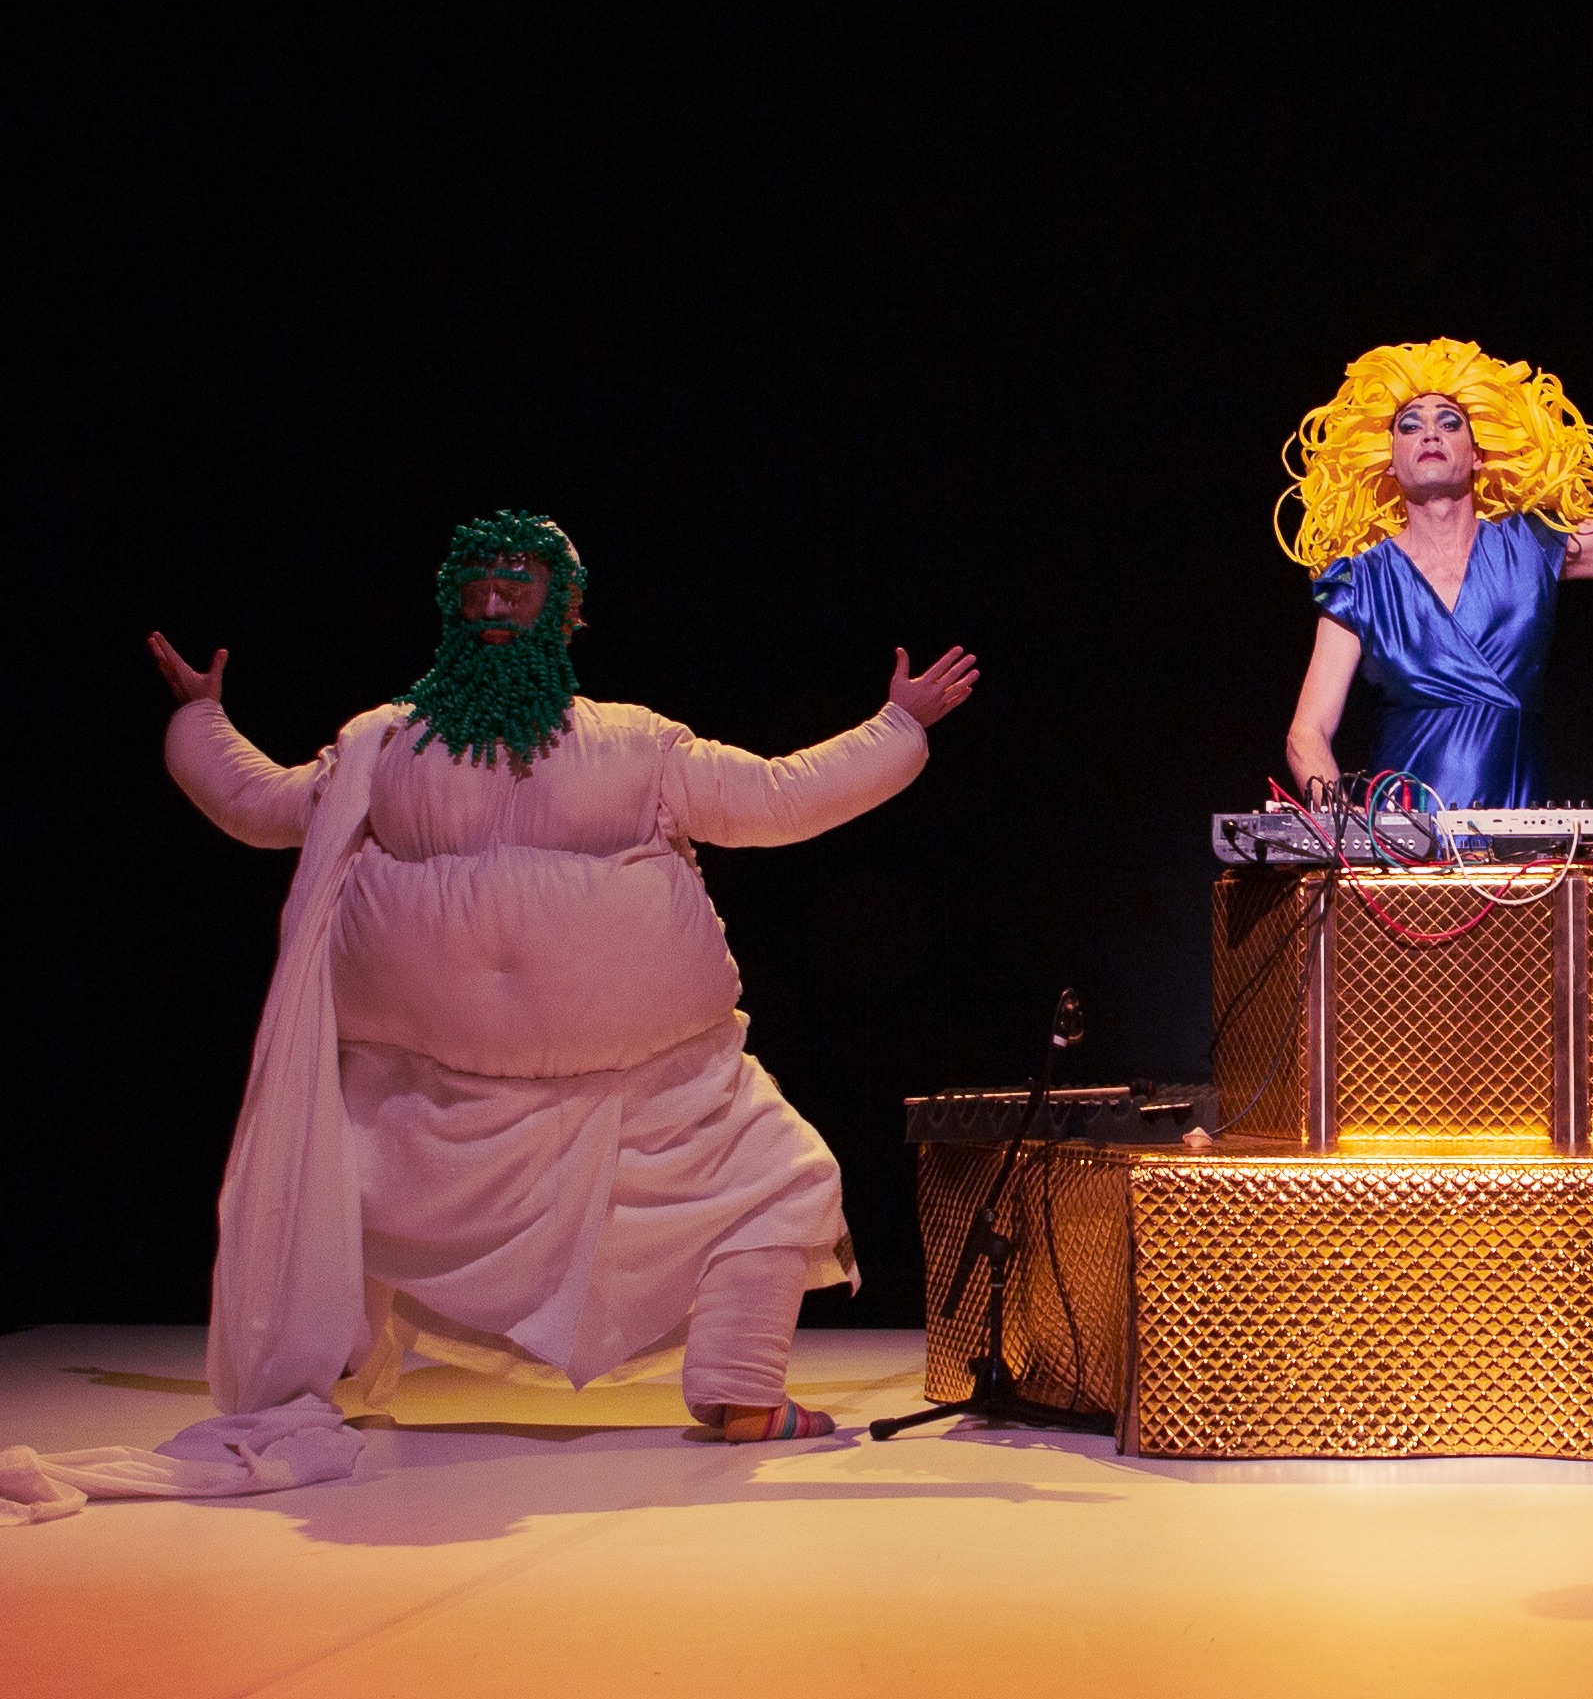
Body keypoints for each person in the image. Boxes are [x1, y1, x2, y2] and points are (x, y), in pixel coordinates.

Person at [107, 512, 971, 1502]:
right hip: (429, 1102)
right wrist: (202, 721)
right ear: (450, 604)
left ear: (566, 612)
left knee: (779, 1177)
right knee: (335, 1194)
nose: (491, 602)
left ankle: (739, 1385)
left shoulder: (633, 745)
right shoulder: (381, 746)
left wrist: (896, 724)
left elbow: (775, 798)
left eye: (515, 585)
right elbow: (266, 806)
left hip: (650, 1096)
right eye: (475, 585)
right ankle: (318, 1376)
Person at [1280, 337, 1593, 809]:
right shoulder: (1361, 582)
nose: (1430, 434)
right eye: (1409, 426)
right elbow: (1308, 732)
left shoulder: (1531, 545)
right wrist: (1351, 833)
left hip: (1517, 836)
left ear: (1478, 454)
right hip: (1400, 841)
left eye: (1449, 422)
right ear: (1388, 461)